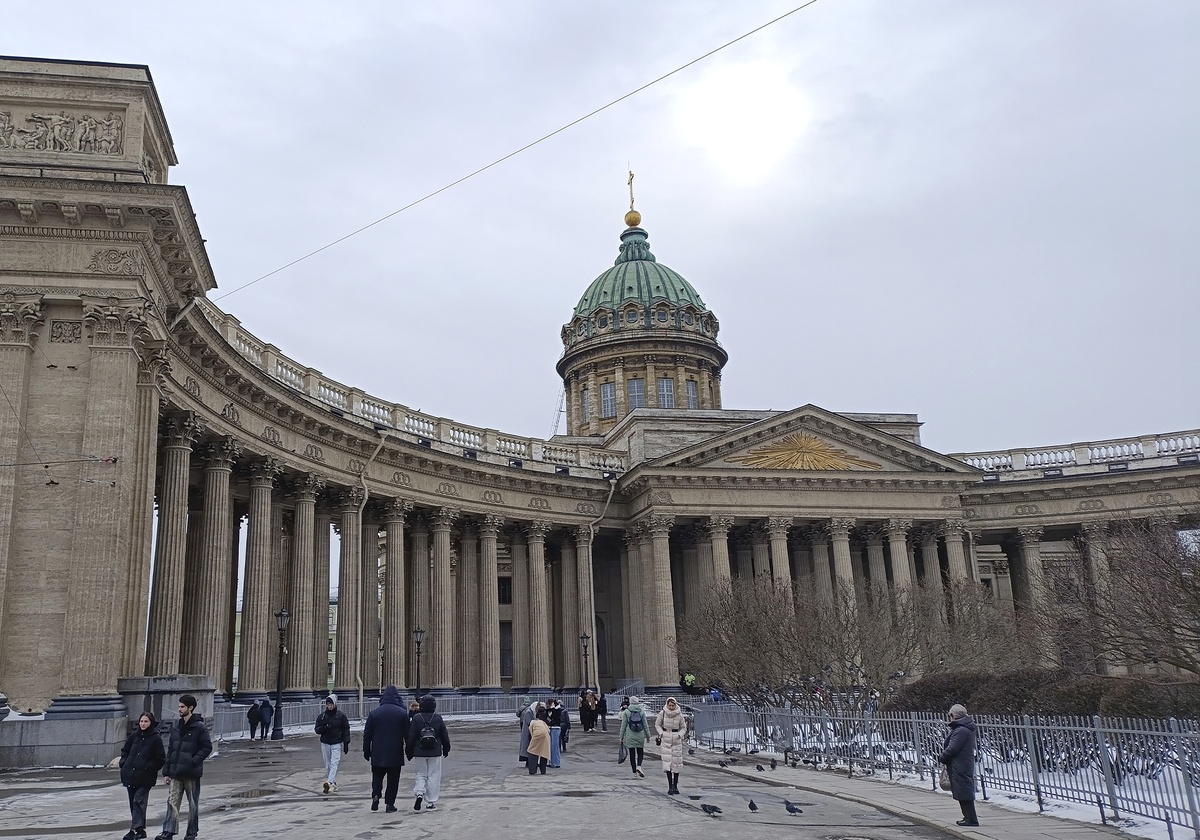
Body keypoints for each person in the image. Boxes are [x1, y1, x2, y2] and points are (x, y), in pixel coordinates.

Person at [154, 694, 211, 840]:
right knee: (172, 802)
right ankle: (168, 831)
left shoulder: (199, 727)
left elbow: (207, 747)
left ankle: (191, 832)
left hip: (191, 772)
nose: (179, 709)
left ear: (190, 708)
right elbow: (171, 750)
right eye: (179, 706)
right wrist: (166, 772)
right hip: (175, 772)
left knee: (193, 804)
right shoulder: (177, 727)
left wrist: (193, 761)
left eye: (182, 707)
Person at [363, 685, 409, 813]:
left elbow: (367, 735)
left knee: (377, 776)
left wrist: (366, 751)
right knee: (393, 780)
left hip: (378, 751)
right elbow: (407, 735)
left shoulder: (374, 713)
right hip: (395, 752)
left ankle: (376, 795)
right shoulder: (402, 713)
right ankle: (390, 804)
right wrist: (409, 751)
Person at [120, 711, 165, 840]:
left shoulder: (155, 738)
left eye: (146, 721)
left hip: (145, 777)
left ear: (151, 723)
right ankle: (140, 829)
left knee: (138, 801)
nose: (143, 724)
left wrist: (148, 768)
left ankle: (134, 829)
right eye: (141, 721)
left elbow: (160, 758)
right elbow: (125, 751)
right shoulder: (135, 736)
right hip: (131, 774)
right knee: (133, 802)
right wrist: (124, 763)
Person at [406, 694, 451, 812]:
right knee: (433, 775)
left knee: (420, 774)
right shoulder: (437, 718)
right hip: (435, 751)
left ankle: (419, 793)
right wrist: (446, 749)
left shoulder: (416, 718)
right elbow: (444, 735)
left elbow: (410, 737)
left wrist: (408, 751)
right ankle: (431, 802)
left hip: (419, 751)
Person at [939, 703, 980, 827]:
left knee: (964, 791)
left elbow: (953, 748)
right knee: (962, 790)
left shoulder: (961, 730)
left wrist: (943, 757)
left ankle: (971, 819)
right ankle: (968, 817)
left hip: (960, 764)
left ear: (953, 715)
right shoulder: (963, 728)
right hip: (962, 763)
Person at [314, 693, 351, 794]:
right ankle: (333, 784)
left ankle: (329, 782)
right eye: (328, 704)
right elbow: (317, 729)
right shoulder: (322, 716)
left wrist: (346, 743)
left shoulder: (341, 716)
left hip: (336, 743)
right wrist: (324, 728)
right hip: (325, 743)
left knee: (334, 763)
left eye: (331, 704)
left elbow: (346, 729)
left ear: (335, 704)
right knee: (328, 765)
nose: (329, 706)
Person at [655, 696, 687, 795]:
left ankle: (675, 786)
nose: (672, 707)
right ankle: (670, 786)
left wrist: (679, 735)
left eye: (673, 705)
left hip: (676, 739)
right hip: (666, 739)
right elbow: (657, 724)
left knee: (676, 763)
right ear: (667, 705)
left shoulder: (679, 715)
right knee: (667, 763)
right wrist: (661, 734)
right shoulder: (663, 713)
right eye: (670, 705)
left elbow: (683, 727)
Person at [619, 695, 648, 778]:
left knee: (632, 754)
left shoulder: (627, 712)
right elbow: (645, 725)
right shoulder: (641, 711)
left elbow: (623, 725)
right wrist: (648, 736)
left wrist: (621, 737)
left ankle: (634, 771)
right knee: (640, 751)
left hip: (630, 735)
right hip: (640, 734)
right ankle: (639, 766)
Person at [526, 704, 551, 775]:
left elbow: (531, 732)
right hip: (546, 736)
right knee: (544, 753)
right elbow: (548, 730)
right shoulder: (543, 722)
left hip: (537, 735)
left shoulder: (532, 722)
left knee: (532, 751)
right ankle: (543, 770)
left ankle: (532, 770)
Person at [517, 695, 534, 764]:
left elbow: (517, 714)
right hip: (527, 723)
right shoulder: (530, 709)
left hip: (522, 722)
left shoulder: (522, 707)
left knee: (524, 734)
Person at [546, 698, 563, 768]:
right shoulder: (550, 710)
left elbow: (555, 716)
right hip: (551, 727)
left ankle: (556, 762)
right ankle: (551, 761)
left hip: (556, 728)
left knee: (555, 746)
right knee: (551, 746)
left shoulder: (558, 709)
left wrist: (552, 708)